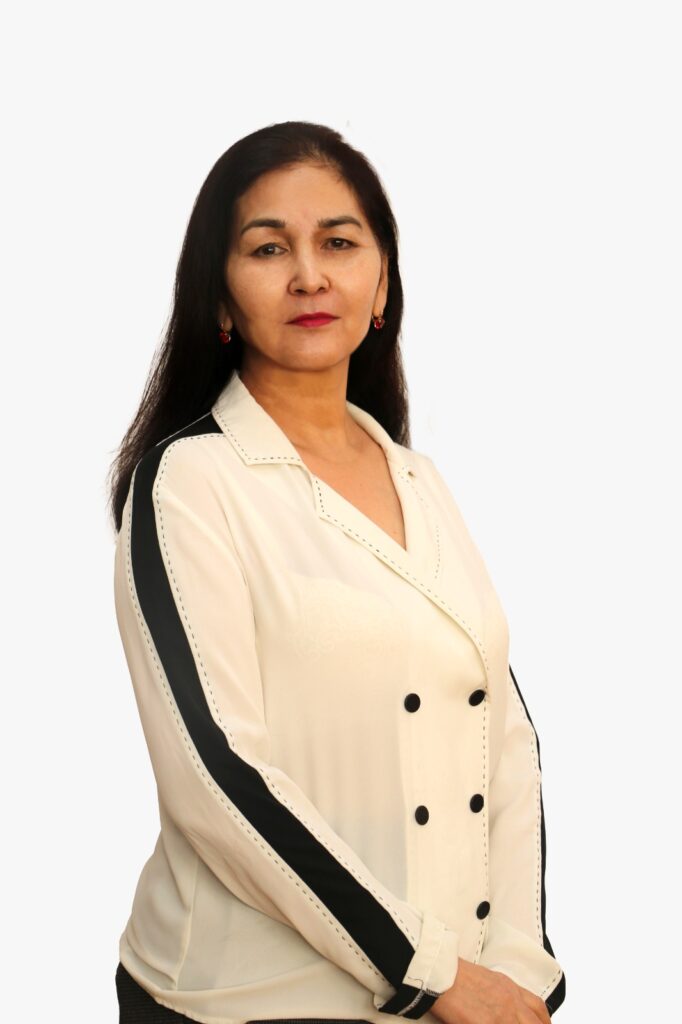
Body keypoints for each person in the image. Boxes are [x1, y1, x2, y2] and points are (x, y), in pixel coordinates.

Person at [107, 120, 566, 1024]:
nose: (310, 276)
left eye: (339, 243)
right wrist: (430, 972)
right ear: (220, 297)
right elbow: (216, 775)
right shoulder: (190, 482)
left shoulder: (416, 476)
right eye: (268, 247)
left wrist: (519, 965)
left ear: (381, 283)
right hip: (246, 1001)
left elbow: (500, 731)